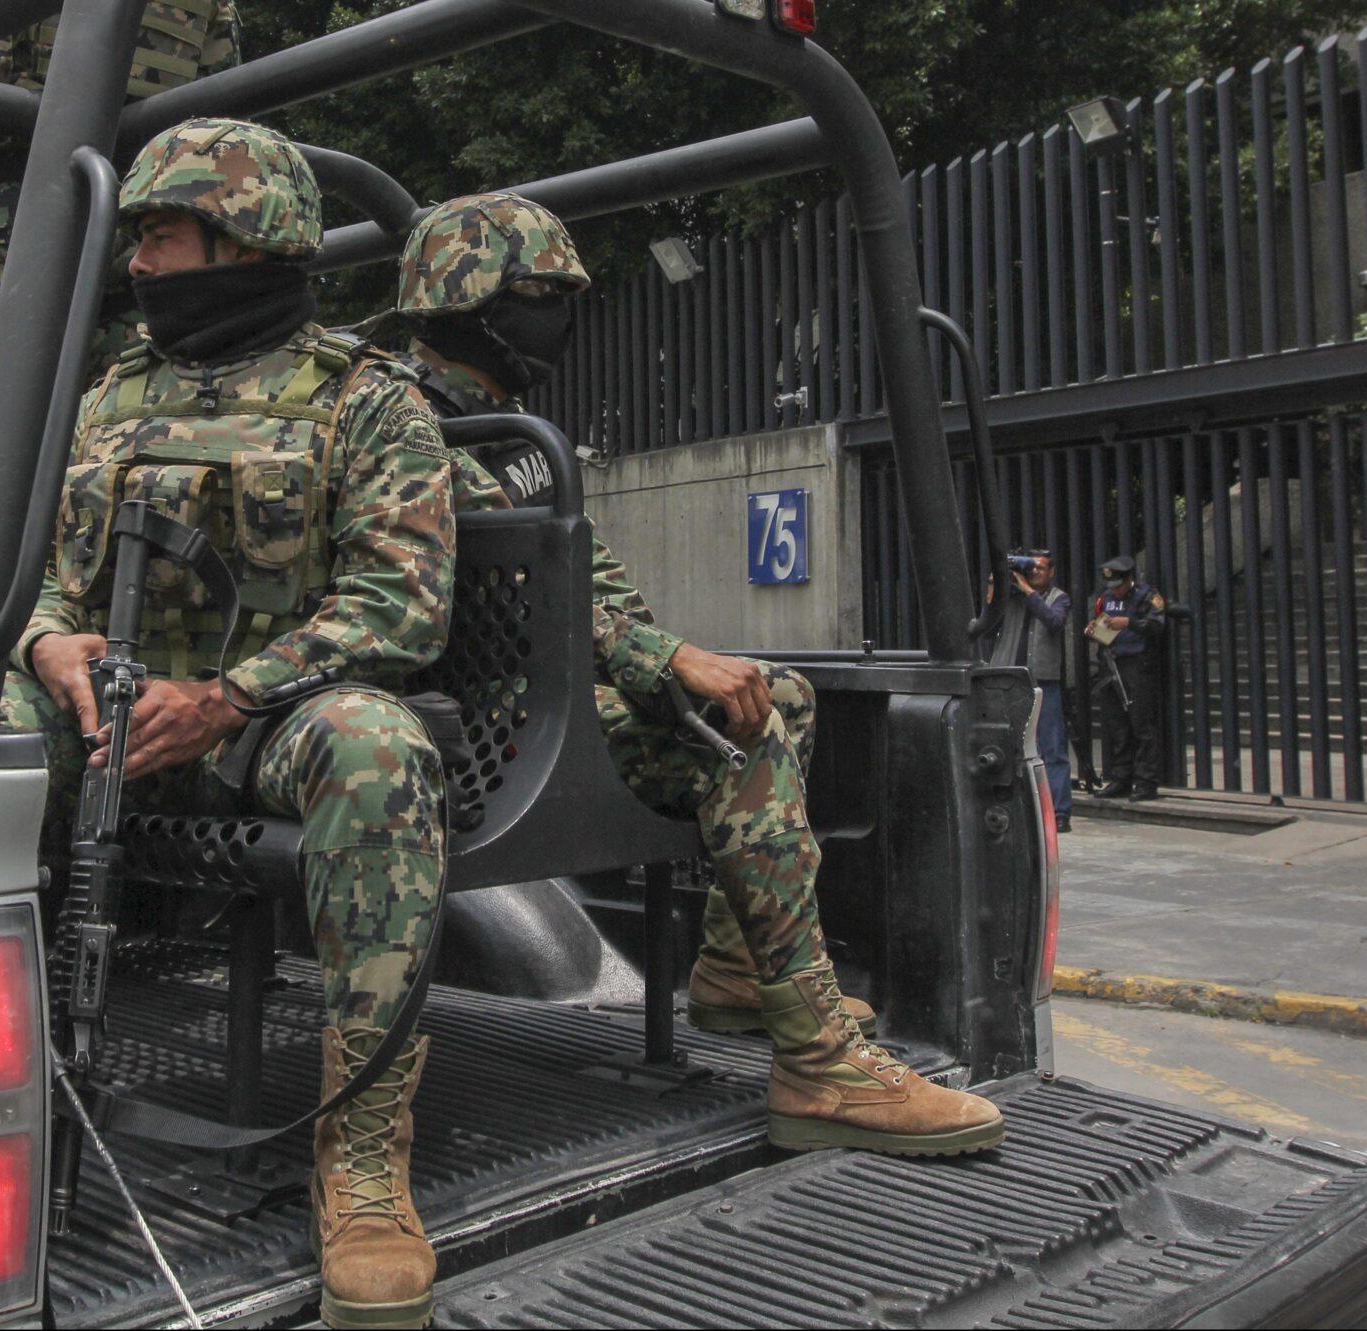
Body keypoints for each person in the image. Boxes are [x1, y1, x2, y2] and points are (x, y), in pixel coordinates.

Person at [369, 192, 1001, 1162]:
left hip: (533, 704)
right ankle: (816, 1059)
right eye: (540, 298)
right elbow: (502, 595)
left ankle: (739, 970)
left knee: (772, 695)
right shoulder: (405, 423)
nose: (560, 319)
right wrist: (659, 660)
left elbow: (588, 585)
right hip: (466, 728)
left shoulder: (502, 429)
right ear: (469, 302)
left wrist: (667, 658)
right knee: (733, 742)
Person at [9, 119, 455, 1331]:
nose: (139, 262)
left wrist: (229, 697)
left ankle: (363, 1164)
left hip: (267, 727)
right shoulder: (108, 398)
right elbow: (40, 577)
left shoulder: (366, 399)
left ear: (243, 239)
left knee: (380, 747)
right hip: (109, 721)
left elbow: (399, 601)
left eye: (161, 234)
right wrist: (48, 645)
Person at [0, 1, 243, 649]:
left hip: (21, 240)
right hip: (141, 244)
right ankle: (98, 645)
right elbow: (221, 123)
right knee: (113, 455)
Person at [984, 549, 1072, 831]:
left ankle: (1059, 813)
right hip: (1009, 679)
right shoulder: (1010, 598)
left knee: (1052, 747)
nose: (1035, 572)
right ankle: (1012, 805)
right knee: (1006, 743)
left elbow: (1054, 621)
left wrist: (1027, 591)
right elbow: (986, 627)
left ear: (1051, 572)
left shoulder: (1058, 598)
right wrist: (995, 586)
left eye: (1041, 568)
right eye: (1031, 568)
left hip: (1043, 681)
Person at [1088, 554, 1167, 801]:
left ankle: (1146, 782)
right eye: (1112, 586)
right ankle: (1121, 779)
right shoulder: (1106, 598)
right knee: (1117, 726)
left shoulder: (1147, 596)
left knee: (1141, 725)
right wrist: (1094, 630)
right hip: (1112, 664)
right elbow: (1103, 628)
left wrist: (1129, 623)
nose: (1116, 590)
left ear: (1129, 579)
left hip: (1137, 665)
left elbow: (1156, 625)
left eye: (1119, 585)